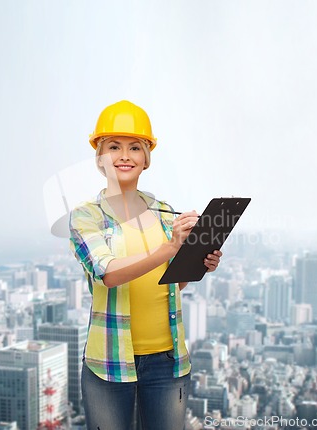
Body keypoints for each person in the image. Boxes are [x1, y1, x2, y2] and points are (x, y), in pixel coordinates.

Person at [69, 100, 222, 430]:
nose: (124, 155)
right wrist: (170, 247)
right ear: (99, 157)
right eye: (114, 147)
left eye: (135, 147)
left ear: (146, 158)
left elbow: (172, 283)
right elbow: (108, 273)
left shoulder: (164, 211)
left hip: (168, 362)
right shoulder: (86, 216)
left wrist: (198, 262)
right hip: (109, 364)